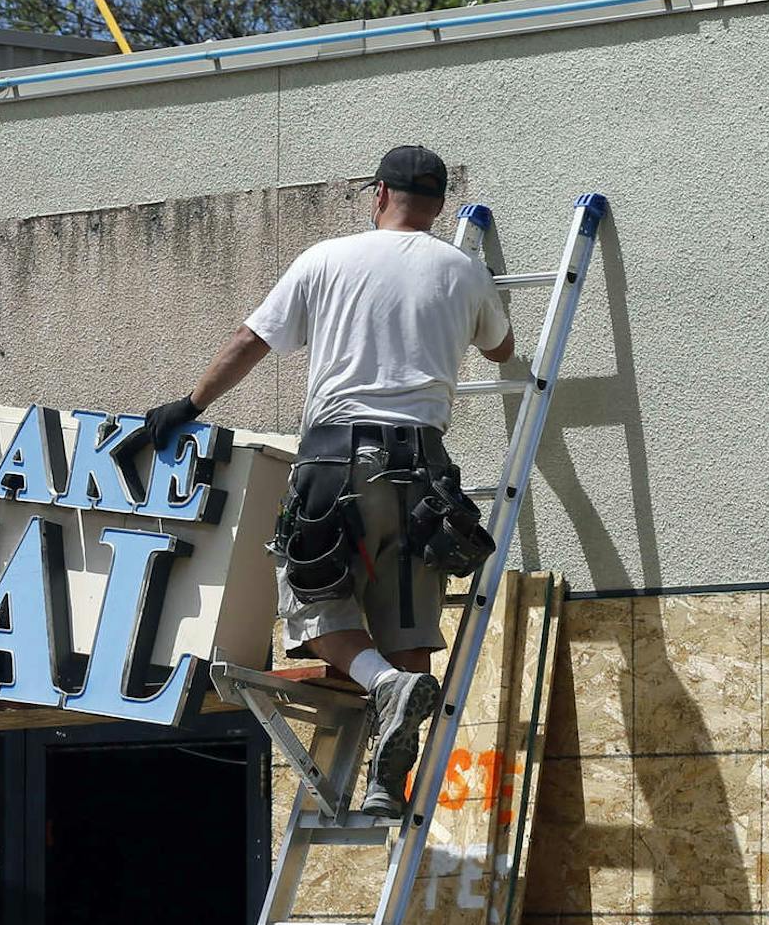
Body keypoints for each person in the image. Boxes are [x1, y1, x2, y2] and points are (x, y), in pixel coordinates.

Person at [140, 146, 513, 818]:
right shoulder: (466, 272)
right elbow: (502, 350)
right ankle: (383, 785)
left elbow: (251, 340)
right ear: (435, 203)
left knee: (313, 606)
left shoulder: (326, 260)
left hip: (336, 464)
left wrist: (189, 405)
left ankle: (382, 687)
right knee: (408, 627)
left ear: (379, 195)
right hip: (424, 475)